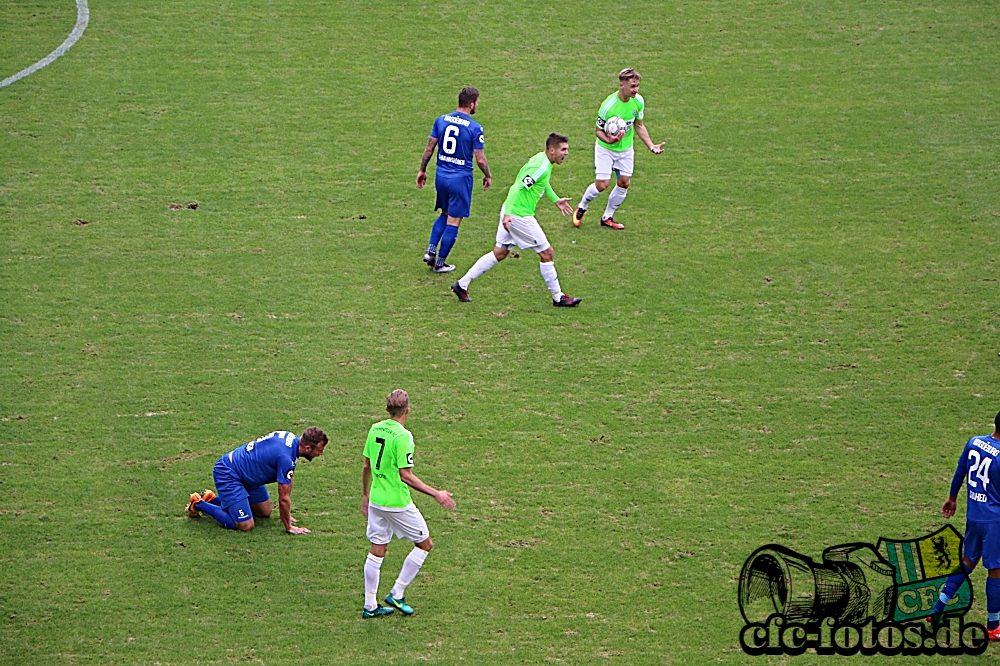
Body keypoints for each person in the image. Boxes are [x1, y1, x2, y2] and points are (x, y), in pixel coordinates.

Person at [450, 133, 582, 307]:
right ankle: (558, 297)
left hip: (510, 211)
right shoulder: (541, 166)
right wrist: (508, 215)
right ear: (552, 150)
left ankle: (462, 284)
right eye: (563, 150)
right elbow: (517, 186)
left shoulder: (542, 161)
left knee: (500, 253)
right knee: (547, 253)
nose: (566, 153)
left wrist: (556, 200)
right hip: (518, 215)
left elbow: (543, 182)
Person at [360, 390, 456, 618]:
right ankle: (397, 592)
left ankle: (370, 606)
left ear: (387, 409)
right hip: (397, 502)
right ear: (408, 411)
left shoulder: (375, 429)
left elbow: (366, 466)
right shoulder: (404, 437)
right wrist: (436, 494)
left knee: (377, 550)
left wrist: (365, 495)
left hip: (376, 499)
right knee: (425, 544)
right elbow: (406, 475)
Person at [933, 412, 1000, 639]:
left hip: (974, 516)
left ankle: (938, 607)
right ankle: (993, 627)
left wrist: (952, 498)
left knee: (968, 561)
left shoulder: (974, 442)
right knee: (996, 572)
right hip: (994, 522)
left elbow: (960, 470)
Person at [185, 428, 327, 534]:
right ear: (308, 448)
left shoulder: (290, 438)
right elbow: (284, 498)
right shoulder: (286, 458)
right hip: (229, 472)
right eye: (319, 450)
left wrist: (286, 515)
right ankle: (198, 504)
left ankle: (213, 499)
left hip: (249, 476)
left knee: (265, 512)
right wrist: (289, 526)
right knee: (245, 525)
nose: (321, 453)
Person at [573, 68, 665, 230]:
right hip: (605, 149)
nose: (635, 89)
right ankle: (582, 206)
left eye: (637, 86)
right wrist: (609, 139)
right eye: (632, 86)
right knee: (602, 184)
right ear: (621, 85)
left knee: (624, 182)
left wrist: (651, 145)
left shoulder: (638, 102)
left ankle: (607, 217)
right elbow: (598, 131)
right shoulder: (608, 107)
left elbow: (639, 125)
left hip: (626, 150)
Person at [416, 87, 492, 273]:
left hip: (441, 175)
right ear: (472, 103)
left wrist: (422, 170)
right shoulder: (475, 127)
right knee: (454, 220)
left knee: (445, 213)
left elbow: (429, 149)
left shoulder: (441, 120)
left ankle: (430, 251)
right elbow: (480, 158)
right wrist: (487, 175)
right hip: (460, 178)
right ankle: (440, 263)